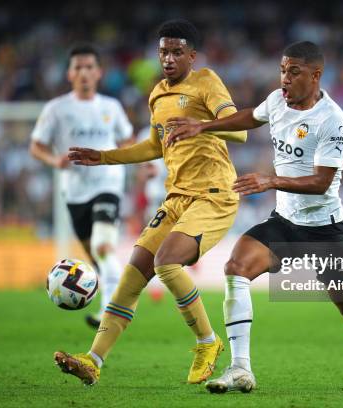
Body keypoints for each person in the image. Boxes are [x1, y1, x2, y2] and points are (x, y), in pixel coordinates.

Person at [167, 41, 343, 393]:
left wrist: (271, 179)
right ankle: (240, 368)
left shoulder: (334, 121)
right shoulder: (278, 100)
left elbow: (322, 182)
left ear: (316, 75)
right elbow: (252, 116)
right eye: (282, 70)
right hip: (286, 224)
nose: (284, 79)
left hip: (325, 230)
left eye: (293, 72)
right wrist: (204, 126)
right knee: (237, 268)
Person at [53, 19, 248, 386]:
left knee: (166, 263)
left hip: (214, 195)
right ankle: (93, 360)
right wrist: (106, 156)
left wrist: (200, 126)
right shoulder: (157, 93)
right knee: (133, 271)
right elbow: (155, 148)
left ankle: (208, 342)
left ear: (192, 54)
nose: (169, 58)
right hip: (176, 197)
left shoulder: (206, 80)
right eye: (163, 51)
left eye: (177, 52)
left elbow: (238, 129)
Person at [30, 44, 133, 328]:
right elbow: (36, 146)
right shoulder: (56, 109)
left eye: (89, 67)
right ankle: (118, 291)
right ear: (69, 74)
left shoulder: (111, 107)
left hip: (108, 182)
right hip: (75, 190)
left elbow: (126, 140)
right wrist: (54, 160)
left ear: (98, 73)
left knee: (102, 246)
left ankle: (110, 314)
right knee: (96, 256)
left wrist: (142, 162)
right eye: (78, 67)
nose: (84, 72)